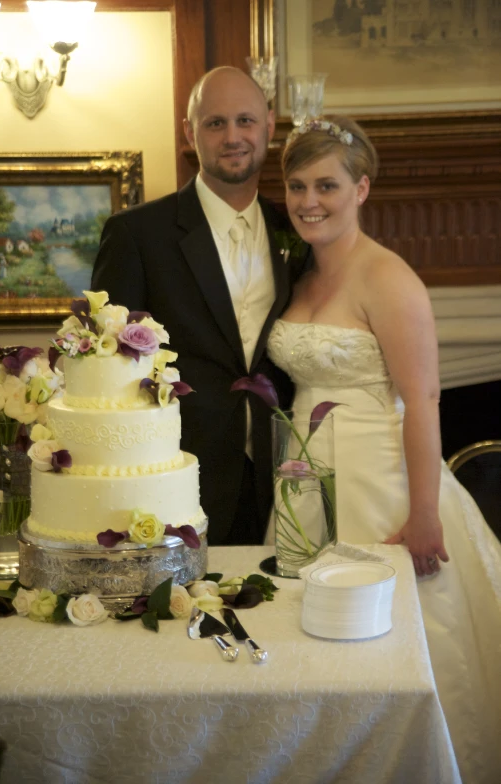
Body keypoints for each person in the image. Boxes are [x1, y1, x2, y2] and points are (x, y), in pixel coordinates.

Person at [266, 116, 501, 783]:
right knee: (318, 637)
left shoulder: (388, 277)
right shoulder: (302, 276)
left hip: (383, 480)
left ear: (361, 189)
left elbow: (423, 401)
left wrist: (424, 512)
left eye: (328, 186)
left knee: (388, 643)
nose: (309, 200)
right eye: (297, 185)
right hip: (306, 472)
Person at [91, 66, 305, 546]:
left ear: (269, 126)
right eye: (215, 123)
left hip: (282, 476)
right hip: (178, 479)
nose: (233, 137)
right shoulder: (137, 235)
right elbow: (111, 375)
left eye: (245, 121)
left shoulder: (295, 229)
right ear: (190, 133)